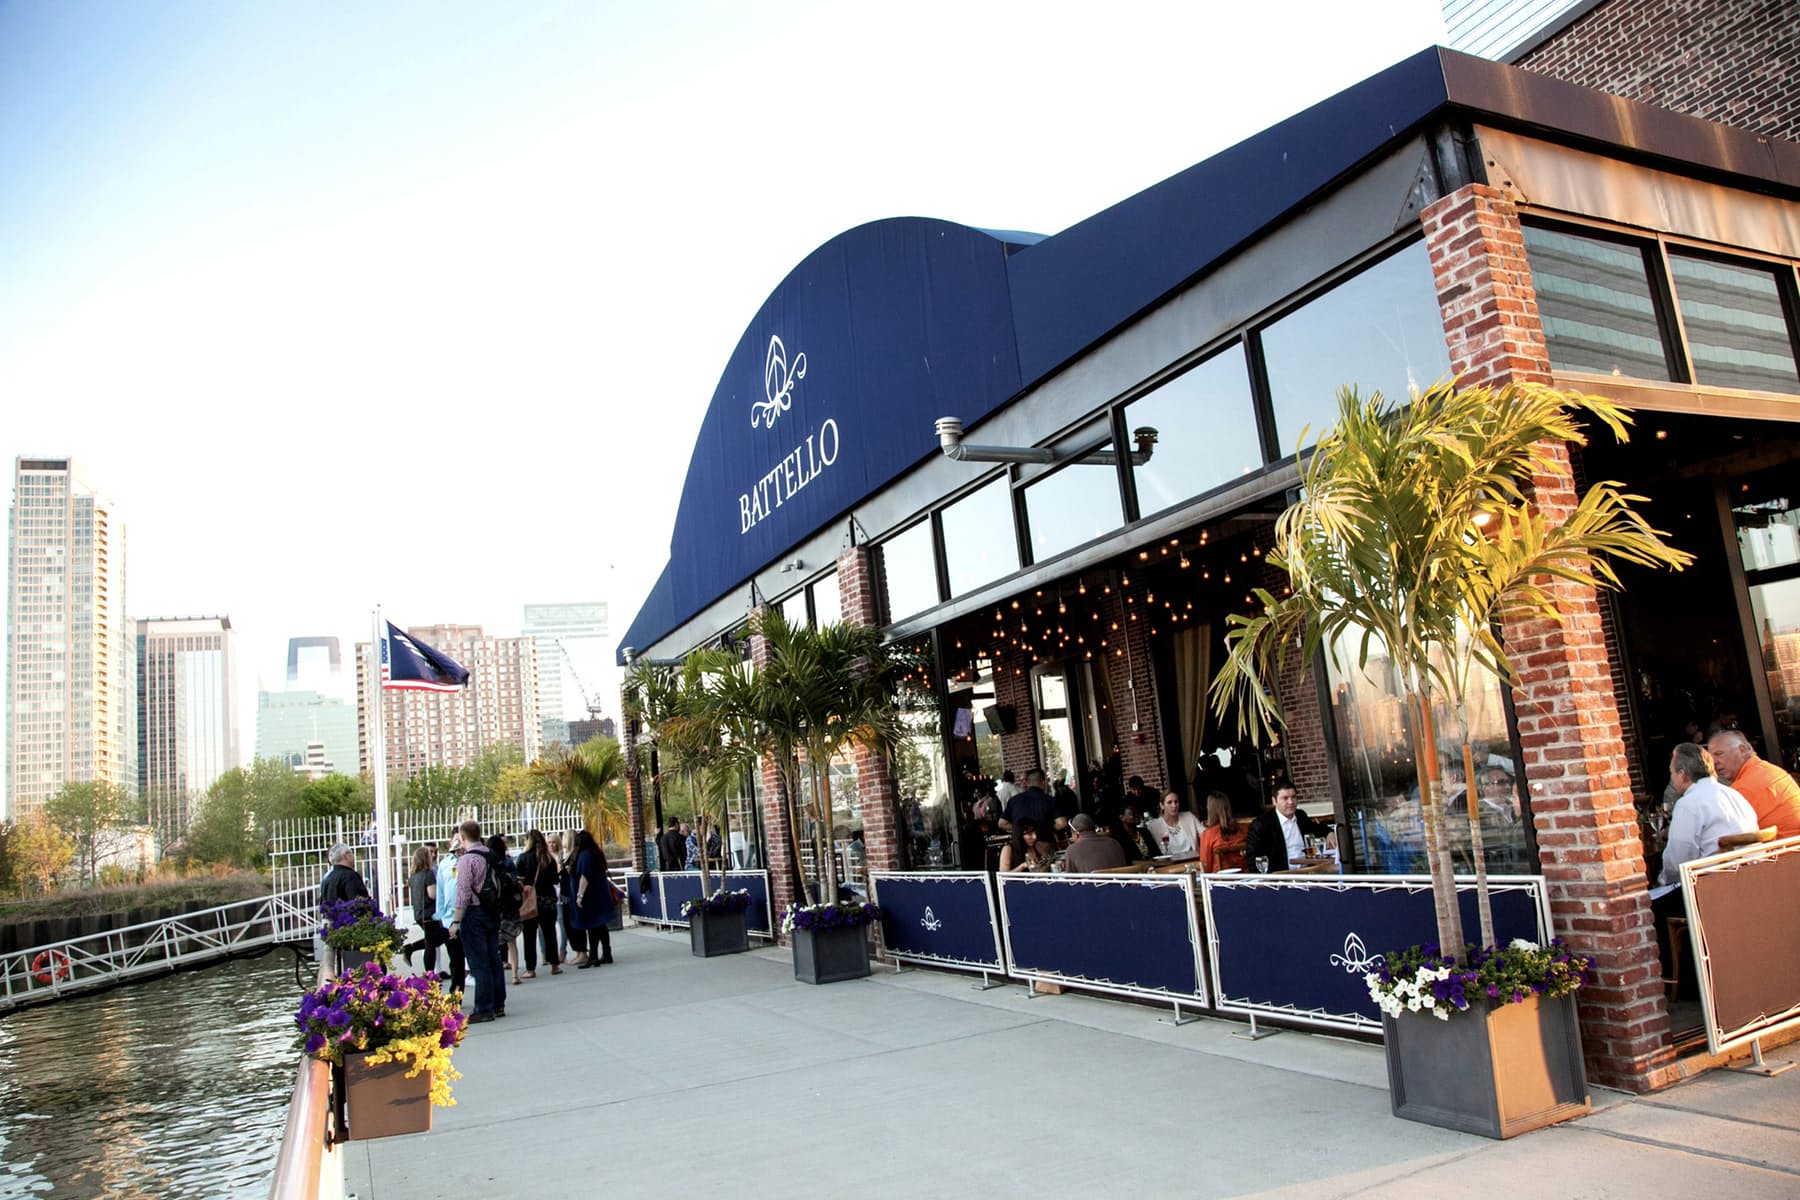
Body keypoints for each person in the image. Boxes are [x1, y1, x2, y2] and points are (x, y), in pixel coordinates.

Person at [1652, 743, 1758, 1000]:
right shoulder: (1734, 794)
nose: (1672, 777)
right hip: (1749, 884)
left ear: (1683, 774)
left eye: (1672, 772)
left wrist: (1660, 880)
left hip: (1711, 893)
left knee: (1649, 908)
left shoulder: (1689, 804)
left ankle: (1683, 987)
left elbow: (1678, 861)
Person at [449, 819, 506, 1022]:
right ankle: (498, 1003)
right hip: (492, 910)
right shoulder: (491, 855)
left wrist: (456, 921)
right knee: (494, 958)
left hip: (475, 912)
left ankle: (483, 1008)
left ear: (462, 837)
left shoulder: (467, 860)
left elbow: (463, 892)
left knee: (479, 962)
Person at [1706, 729, 1800, 839]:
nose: (1714, 762)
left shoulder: (1744, 787)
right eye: (1710, 757)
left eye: (1719, 754)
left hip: (1784, 847)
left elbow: (1722, 836)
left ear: (1742, 750)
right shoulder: (1768, 769)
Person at [1244, 779, 1335, 873]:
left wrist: (1329, 832)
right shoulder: (1262, 824)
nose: (1291, 802)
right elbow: (1252, 859)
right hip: (1280, 876)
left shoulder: (1300, 816)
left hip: (1308, 873)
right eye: (1285, 798)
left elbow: (1316, 828)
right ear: (1274, 801)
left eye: (1293, 797)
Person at [516, 829, 563, 978]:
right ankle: (554, 965)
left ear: (528, 841)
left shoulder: (523, 858)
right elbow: (555, 879)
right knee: (550, 933)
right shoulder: (548, 858)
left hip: (530, 901)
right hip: (547, 900)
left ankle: (530, 969)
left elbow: (519, 881)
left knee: (529, 935)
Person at [569, 829, 617, 967]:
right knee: (600, 925)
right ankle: (606, 953)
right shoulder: (596, 853)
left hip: (591, 895)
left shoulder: (584, 855)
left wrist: (579, 895)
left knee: (592, 925)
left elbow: (584, 876)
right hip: (600, 893)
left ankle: (594, 956)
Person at [486, 834, 526, 985]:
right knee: (511, 942)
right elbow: (516, 880)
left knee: (493, 943)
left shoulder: (488, 864)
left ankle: (495, 975)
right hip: (510, 905)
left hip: (495, 907)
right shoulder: (507, 862)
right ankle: (515, 974)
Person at [400, 845, 446, 970]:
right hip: (430, 913)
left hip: (419, 913)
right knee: (434, 941)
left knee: (432, 940)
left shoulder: (413, 876)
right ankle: (429, 973)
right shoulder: (428, 874)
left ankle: (411, 948)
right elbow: (432, 894)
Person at [435, 829, 466, 990]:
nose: (458, 844)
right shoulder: (445, 864)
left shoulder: (472, 860)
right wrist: (441, 917)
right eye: (456, 840)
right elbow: (440, 892)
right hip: (449, 919)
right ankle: (456, 995)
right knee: (456, 961)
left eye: (461, 839)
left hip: (470, 918)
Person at [1198, 790, 1248, 872]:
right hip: (1245, 875)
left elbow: (1206, 866)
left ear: (1210, 810)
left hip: (1219, 878)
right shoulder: (1244, 829)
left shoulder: (1208, 834)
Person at [1146, 791, 1205, 860]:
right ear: (1162, 805)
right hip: (1169, 863)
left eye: (1176, 802)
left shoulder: (1189, 816)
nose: (1174, 805)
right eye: (1169, 802)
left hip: (1193, 860)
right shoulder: (1154, 826)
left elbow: (1205, 834)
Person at [1062, 813, 1126, 872]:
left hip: (1093, 881)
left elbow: (1070, 878)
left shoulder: (1072, 850)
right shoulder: (1114, 843)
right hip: (1121, 881)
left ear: (1076, 835)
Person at [1000, 768, 1056, 835]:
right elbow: (1061, 823)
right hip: (1042, 837)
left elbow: (1002, 823)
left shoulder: (1003, 794)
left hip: (1019, 837)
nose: (1023, 783)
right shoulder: (1018, 790)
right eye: (1021, 781)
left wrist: (1019, 828)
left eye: (1024, 780)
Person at [317, 843, 370, 909]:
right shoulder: (350, 876)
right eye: (352, 853)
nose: (354, 857)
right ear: (346, 856)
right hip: (348, 915)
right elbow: (360, 903)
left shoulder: (327, 877)